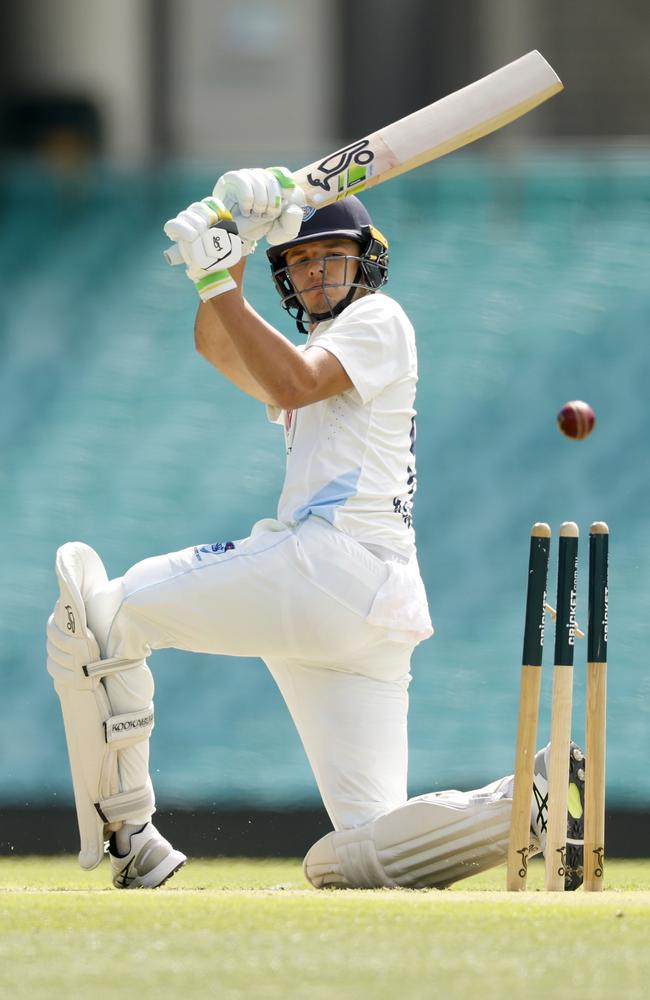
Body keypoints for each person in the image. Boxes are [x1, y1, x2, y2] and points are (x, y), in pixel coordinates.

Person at [46, 168, 585, 890]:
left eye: (329, 254)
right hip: (367, 603)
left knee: (102, 614)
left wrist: (216, 280)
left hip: (331, 566)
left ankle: (130, 835)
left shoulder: (377, 321)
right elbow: (221, 348)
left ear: (368, 259)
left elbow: (294, 381)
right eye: (298, 260)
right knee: (357, 852)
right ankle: (527, 804)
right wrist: (228, 245)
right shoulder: (320, 348)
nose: (315, 270)